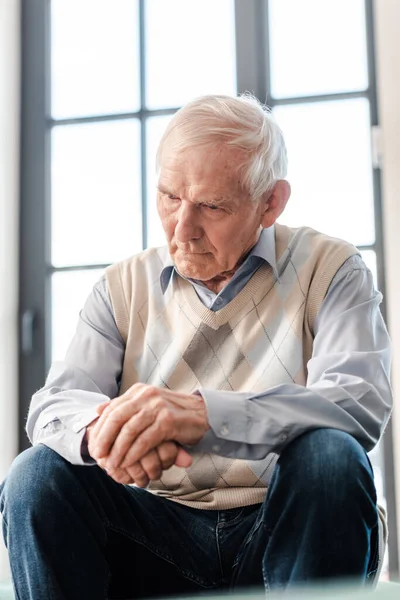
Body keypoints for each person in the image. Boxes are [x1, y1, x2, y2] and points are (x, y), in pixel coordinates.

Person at [0, 94, 392, 600]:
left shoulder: (331, 267)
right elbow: (54, 408)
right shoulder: (122, 286)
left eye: (211, 206)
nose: (182, 230)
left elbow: (356, 403)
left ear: (270, 203)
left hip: (283, 529)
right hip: (154, 536)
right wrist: (111, 431)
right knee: (36, 473)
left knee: (330, 456)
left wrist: (204, 417)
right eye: (169, 197)